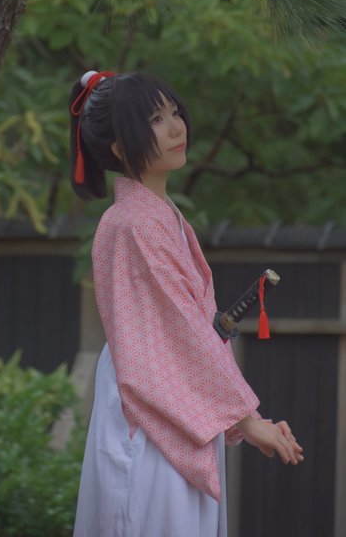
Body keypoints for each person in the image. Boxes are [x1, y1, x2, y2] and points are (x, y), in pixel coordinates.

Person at [69, 70, 303, 537]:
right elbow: (181, 334)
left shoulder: (159, 218)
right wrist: (246, 421)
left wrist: (249, 419)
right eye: (156, 120)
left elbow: (190, 333)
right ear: (119, 147)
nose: (177, 127)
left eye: (175, 113)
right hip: (151, 408)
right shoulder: (132, 223)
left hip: (174, 398)